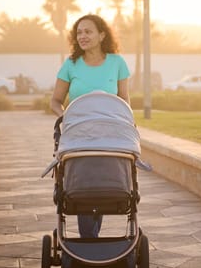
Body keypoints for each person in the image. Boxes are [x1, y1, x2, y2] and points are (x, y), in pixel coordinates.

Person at [50, 13, 130, 238]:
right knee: (85, 183)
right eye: (79, 32)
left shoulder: (117, 63)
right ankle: (89, 240)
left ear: (102, 34)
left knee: (104, 181)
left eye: (88, 31)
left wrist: (126, 122)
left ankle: (90, 240)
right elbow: (55, 101)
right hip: (79, 134)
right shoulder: (71, 64)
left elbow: (124, 99)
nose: (82, 36)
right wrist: (65, 116)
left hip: (109, 134)